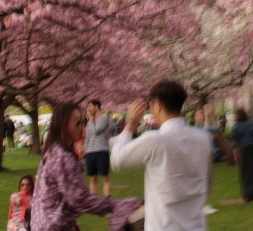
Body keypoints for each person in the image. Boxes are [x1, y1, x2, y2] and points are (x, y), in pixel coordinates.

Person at [110, 80, 212, 231]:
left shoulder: (154, 139)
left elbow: (117, 161)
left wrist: (131, 124)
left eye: (149, 107)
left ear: (157, 105)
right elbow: (207, 186)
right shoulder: (203, 138)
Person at [29, 102, 137, 231]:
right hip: (52, 225)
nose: (81, 127)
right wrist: (116, 205)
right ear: (63, 124)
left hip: (42, 223)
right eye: (77, 122)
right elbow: (79, 198)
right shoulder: (62, 157)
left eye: (82, 122)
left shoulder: (52, 151)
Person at [230, 109, 253, 202]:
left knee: (244, 171)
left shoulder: (235, 126)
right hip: (251, 148)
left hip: (242, 149)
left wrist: (236, 154)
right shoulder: (250, 124)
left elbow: (235, 140)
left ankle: (247, 192)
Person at [84, 99, 113, 197]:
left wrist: (91, 121)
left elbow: (96, 130)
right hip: (90, 152)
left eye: (90, 106)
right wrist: (85, 148)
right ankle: (95, 200)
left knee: (105, 177)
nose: (89, 109)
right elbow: (87, 137)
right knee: (93, 178)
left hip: (101, 151)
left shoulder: (104, 118)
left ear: (96, 106)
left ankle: (107, 200)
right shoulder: (89, 122)